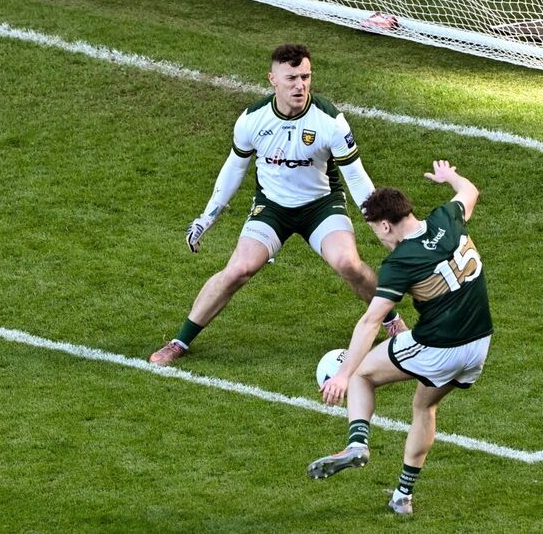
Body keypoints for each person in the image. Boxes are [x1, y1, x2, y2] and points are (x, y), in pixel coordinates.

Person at [149, 44, 406, 366]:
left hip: (320, 206)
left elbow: (355, 177)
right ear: (272, 80)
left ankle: (391, 321)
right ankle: (179, 342)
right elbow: (234, 169)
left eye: (305, 77)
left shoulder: (330, 122)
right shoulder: (252, 120)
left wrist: (379, 222)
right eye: (291, 79)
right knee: (238, 270)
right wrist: (207, 216)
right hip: (272, 207)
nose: (300, 86)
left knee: (349, 264)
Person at [307, 160, 492, 517]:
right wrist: (450, 177)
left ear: (386, 224)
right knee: (424, 406)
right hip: (478, 345)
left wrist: (343, 375)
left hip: (439, 346)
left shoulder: (401, 261)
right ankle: (402, 497)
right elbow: (469, 191)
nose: (380, 240)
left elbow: (370, 321)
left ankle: (356, 443)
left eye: (377, 232)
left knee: (362, 374)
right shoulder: (446, 218)